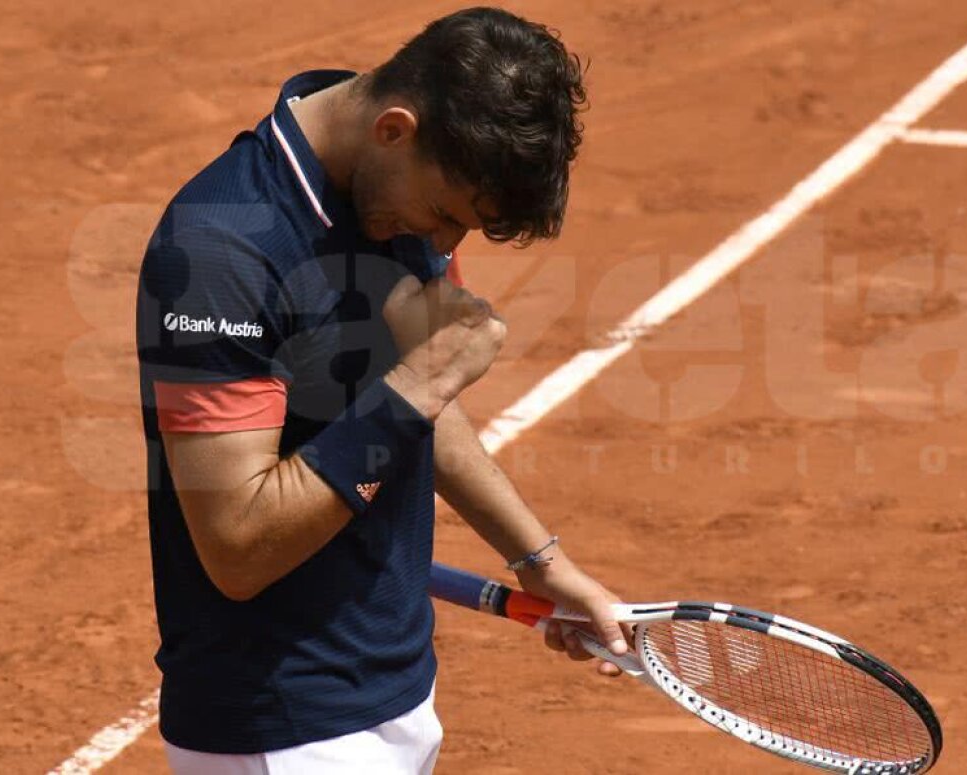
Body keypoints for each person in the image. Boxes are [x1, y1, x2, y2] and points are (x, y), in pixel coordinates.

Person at [135, 7, 628, 773]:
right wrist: (421, 378)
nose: (441, 247)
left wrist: (538, 558)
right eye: (444, 216)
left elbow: (420, 410)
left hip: (394, 689)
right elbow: (237, 545)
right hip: (284, 726)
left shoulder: (394, 190)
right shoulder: (220, 250)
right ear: (394, 128)